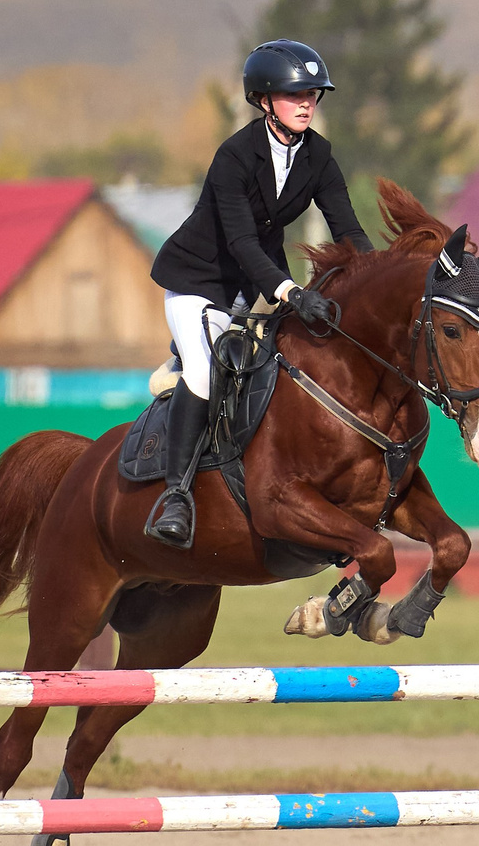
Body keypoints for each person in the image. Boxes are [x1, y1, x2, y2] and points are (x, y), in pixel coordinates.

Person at [142, 40, 375, 546]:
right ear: (264, 100)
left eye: (313, 94)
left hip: (251, 285)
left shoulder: (319, 156)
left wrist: (378, 275)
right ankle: (175, 496)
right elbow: (242, 242)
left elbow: (348, 228)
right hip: (197, 282)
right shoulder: (234, 157)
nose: (307, 103)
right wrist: (292, 294)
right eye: (295, 95)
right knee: (206, 372)